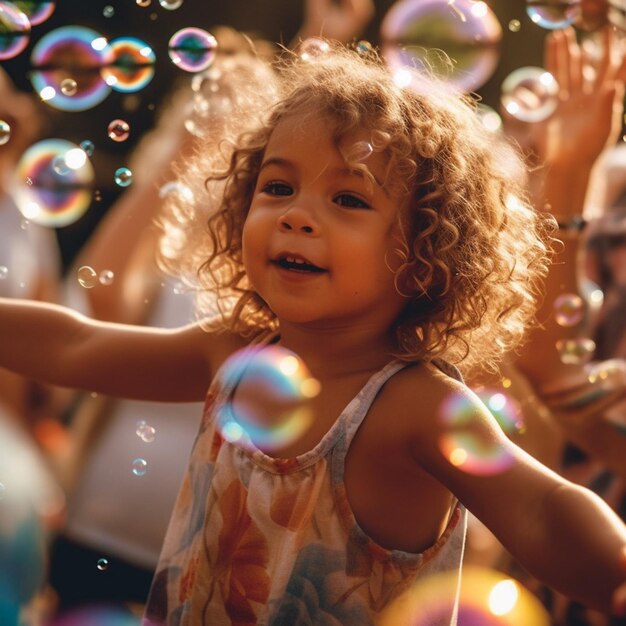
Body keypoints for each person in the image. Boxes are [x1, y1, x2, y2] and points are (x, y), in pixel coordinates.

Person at [1, 40, 626, 626]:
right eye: (277, 187)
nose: (297, 215)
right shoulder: (234, 349)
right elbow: (74, 344)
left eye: (349, 200)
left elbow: (541, 508)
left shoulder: (414, 405)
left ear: (427, 255)